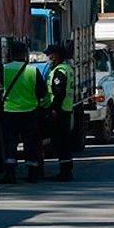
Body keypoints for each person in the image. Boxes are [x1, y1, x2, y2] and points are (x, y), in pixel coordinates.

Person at [0, 41, 46, 184]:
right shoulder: (33, 71)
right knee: (30, 143)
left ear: (10, 54)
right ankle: (32, 173)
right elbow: (42, 91)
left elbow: (1, 85)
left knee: (10, 143)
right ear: (25, 54)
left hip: (10, 111)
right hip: (29, 112)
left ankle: (10, 173)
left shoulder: (4, 69)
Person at [43, 44, 74, 182]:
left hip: (60, 110)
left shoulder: (60, 71)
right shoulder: (65, 68)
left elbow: (59, 91)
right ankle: (66, 170)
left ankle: (65, 172)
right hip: (65, 109)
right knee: (64, 142)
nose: (48, 57)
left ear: (57, 55)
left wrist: (54, 108)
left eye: (50, 54)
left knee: (61, 143)